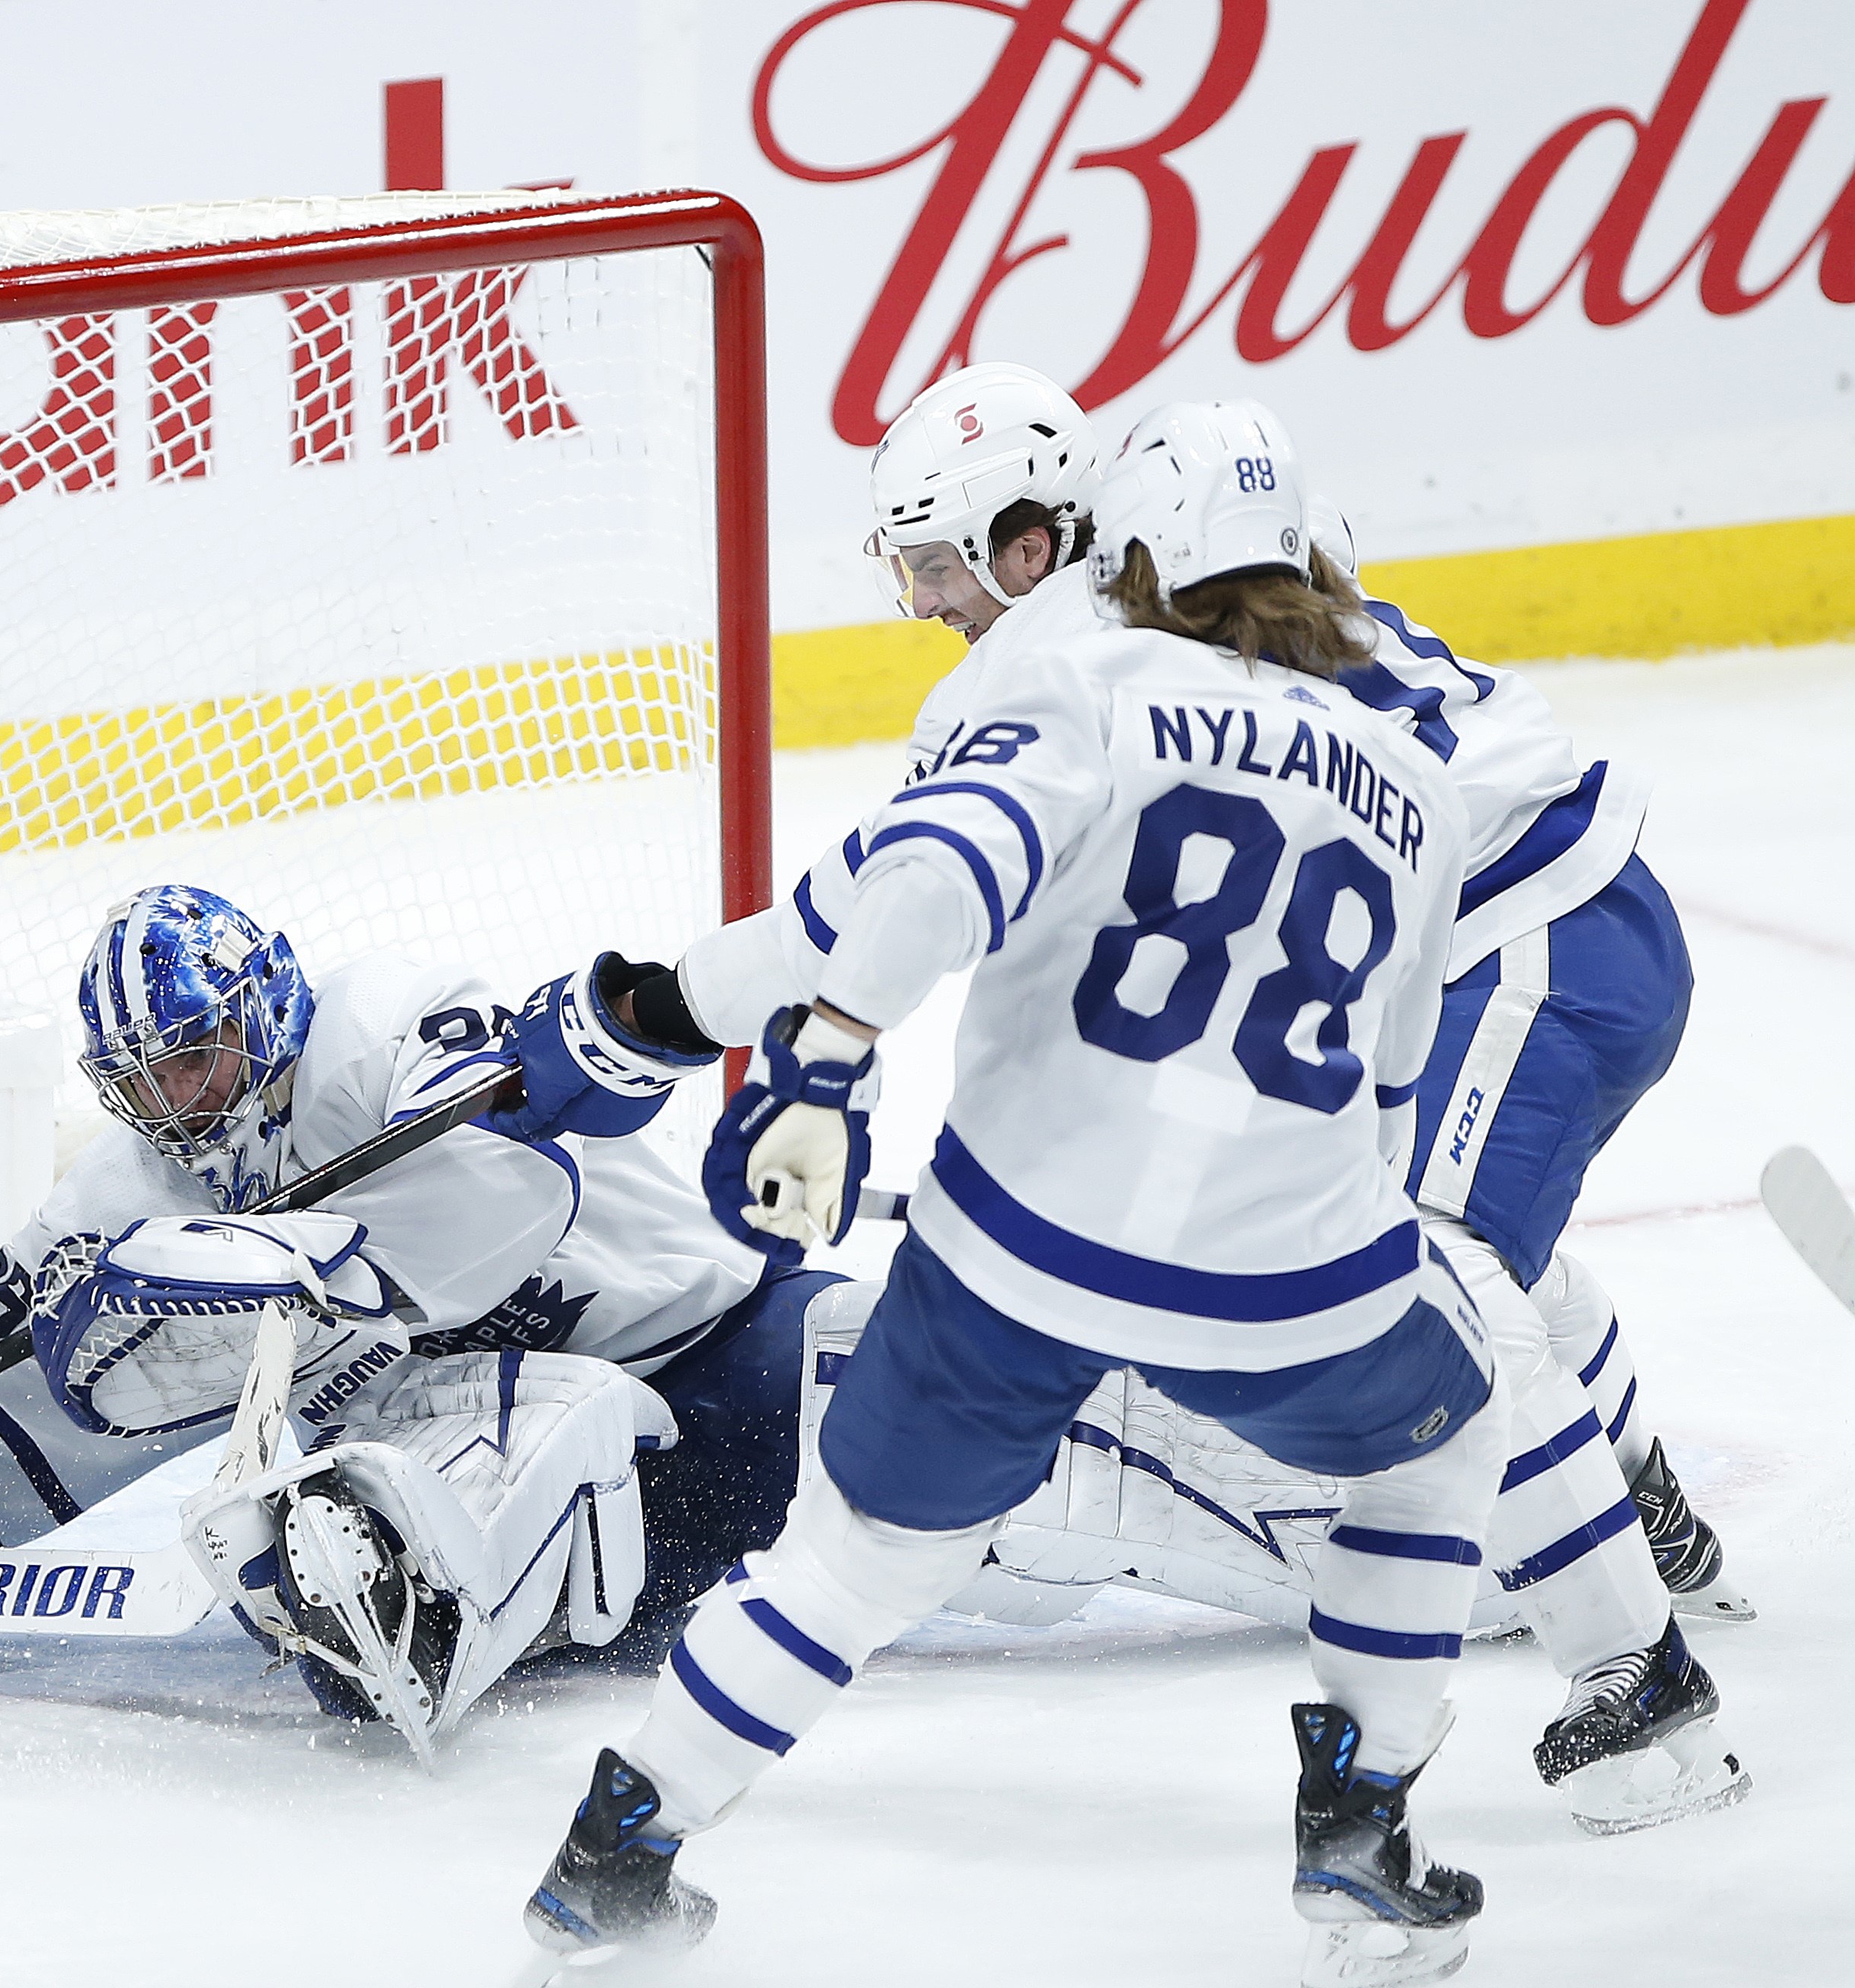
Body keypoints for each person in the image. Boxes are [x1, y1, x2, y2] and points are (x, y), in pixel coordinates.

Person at [502, 401, 1505, 1986]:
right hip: (1287, 1271)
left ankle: (620, 1850)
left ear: (1130, 550)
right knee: (1442, 1456)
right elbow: (1386, 1089)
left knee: (849, 1566)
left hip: (1014, 1246)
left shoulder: (1080, 676)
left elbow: (938, 874)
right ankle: (1360, 1831)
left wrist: (825, 1063)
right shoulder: (1418, 780)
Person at [836, 362, 1746, 1834]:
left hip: (1531, 944)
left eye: (940, 565)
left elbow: (900, 896)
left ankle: (1643, 1679)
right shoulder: (1194, 543)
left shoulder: (1060, 657)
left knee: (1439, 1283)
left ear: (1024, 536)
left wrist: (667, 1020)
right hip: (1541, 929)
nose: (925, 601)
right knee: (1428, 1244)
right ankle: (1641, 1508)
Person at [0, 883, 852, 1761]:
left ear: (263, 1006)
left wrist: (275, 1261)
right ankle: (411, 1600)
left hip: (733, 1358)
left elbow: (512, 1193)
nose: (172, 1102)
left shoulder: (381, 1025)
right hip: (524, 1462)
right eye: (137, 1079)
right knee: (346, 1554)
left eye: (192, 1057)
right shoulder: (136, 1183)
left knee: (1000, 1441)